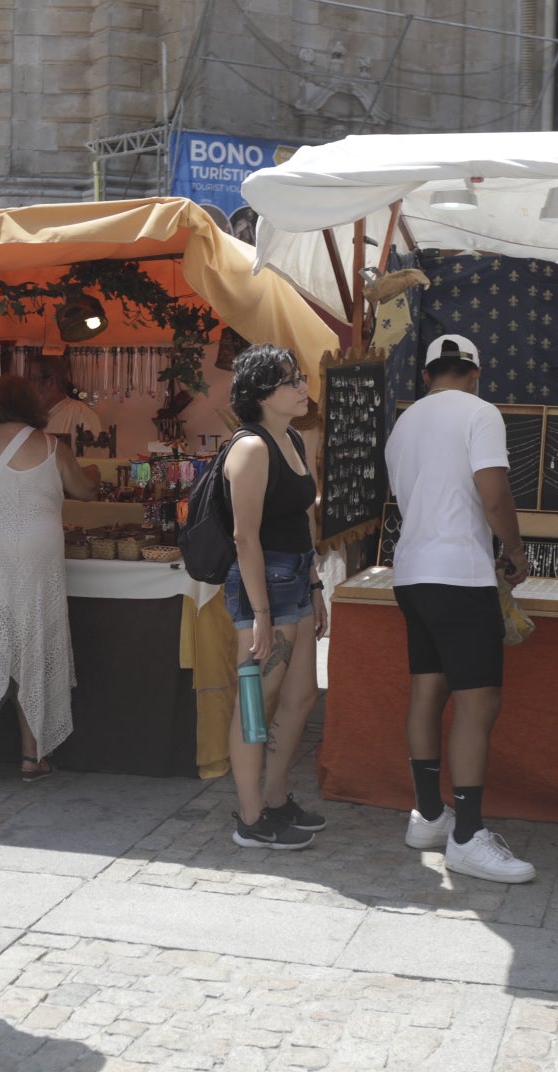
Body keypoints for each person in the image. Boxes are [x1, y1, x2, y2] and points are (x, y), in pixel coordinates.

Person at [385, 335, 535, 883]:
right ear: (476, 372)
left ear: (426, 375)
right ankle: (467, 835)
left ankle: (428, 813)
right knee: (478, 701)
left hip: (412, 571)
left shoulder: (404, 423)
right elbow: (492, 492)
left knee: (428, 688)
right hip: (461, 574)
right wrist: (516, 551)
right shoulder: (481, 413)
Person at [0, 374, 97, 782]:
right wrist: (95, 474)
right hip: (38, 555)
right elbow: (84, 491)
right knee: (34, 644)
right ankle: (32, 758)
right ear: (34, 407)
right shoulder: (52, 447)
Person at [221, 344, 327, 850]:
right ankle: (249, 816)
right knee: (255, 704)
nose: (303, 386)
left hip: (295, 579)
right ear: (262, 393)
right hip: (262, 587)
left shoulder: (292, 439)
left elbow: (302, 521)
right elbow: (245, 536)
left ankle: (276, 797)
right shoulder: (251, 448)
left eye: (301, 376)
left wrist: (316, 586)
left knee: (301, 694)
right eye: (291, 380)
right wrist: (261, 613)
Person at [33, 356, 99, 451]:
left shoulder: (81, 414)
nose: (28, 386)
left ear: (50, 382)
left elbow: (92, 460)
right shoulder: (33, 416)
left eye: (33, 379)